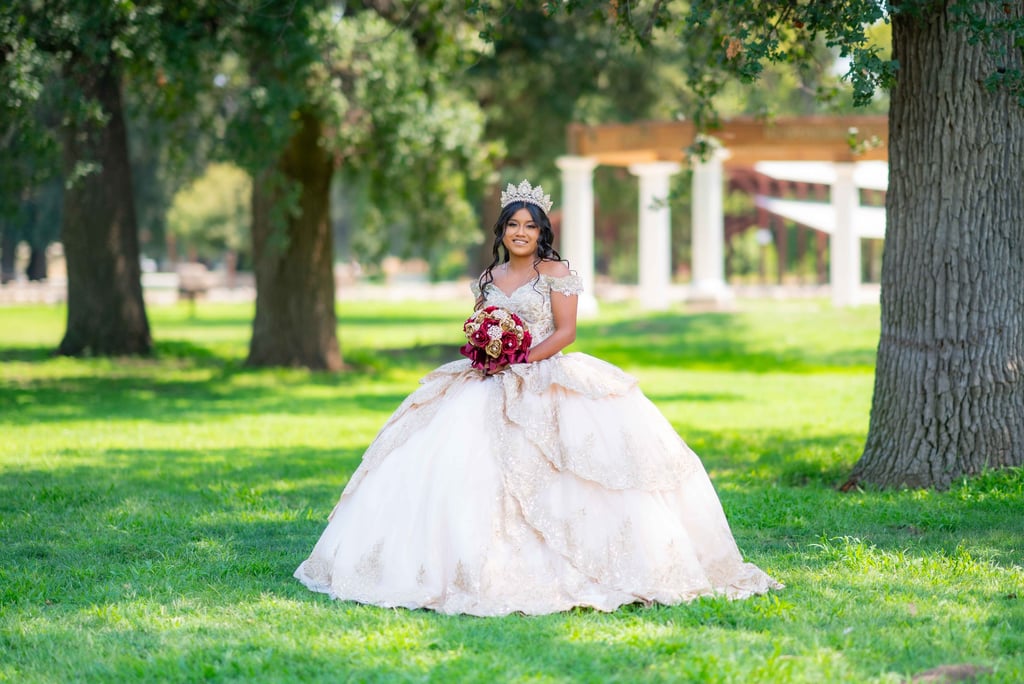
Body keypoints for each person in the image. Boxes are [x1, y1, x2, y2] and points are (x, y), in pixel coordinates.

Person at [294, 179, 781, 616]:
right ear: (502, 231)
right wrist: (488, 351)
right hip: (488, 376)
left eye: (529, 225)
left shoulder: (556, 272)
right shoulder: (488, 279)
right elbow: (480, 327)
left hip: (543, 370)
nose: (520, 232)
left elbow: (566, 331)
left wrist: (520, 358)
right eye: (512, 225)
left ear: (541, 231)